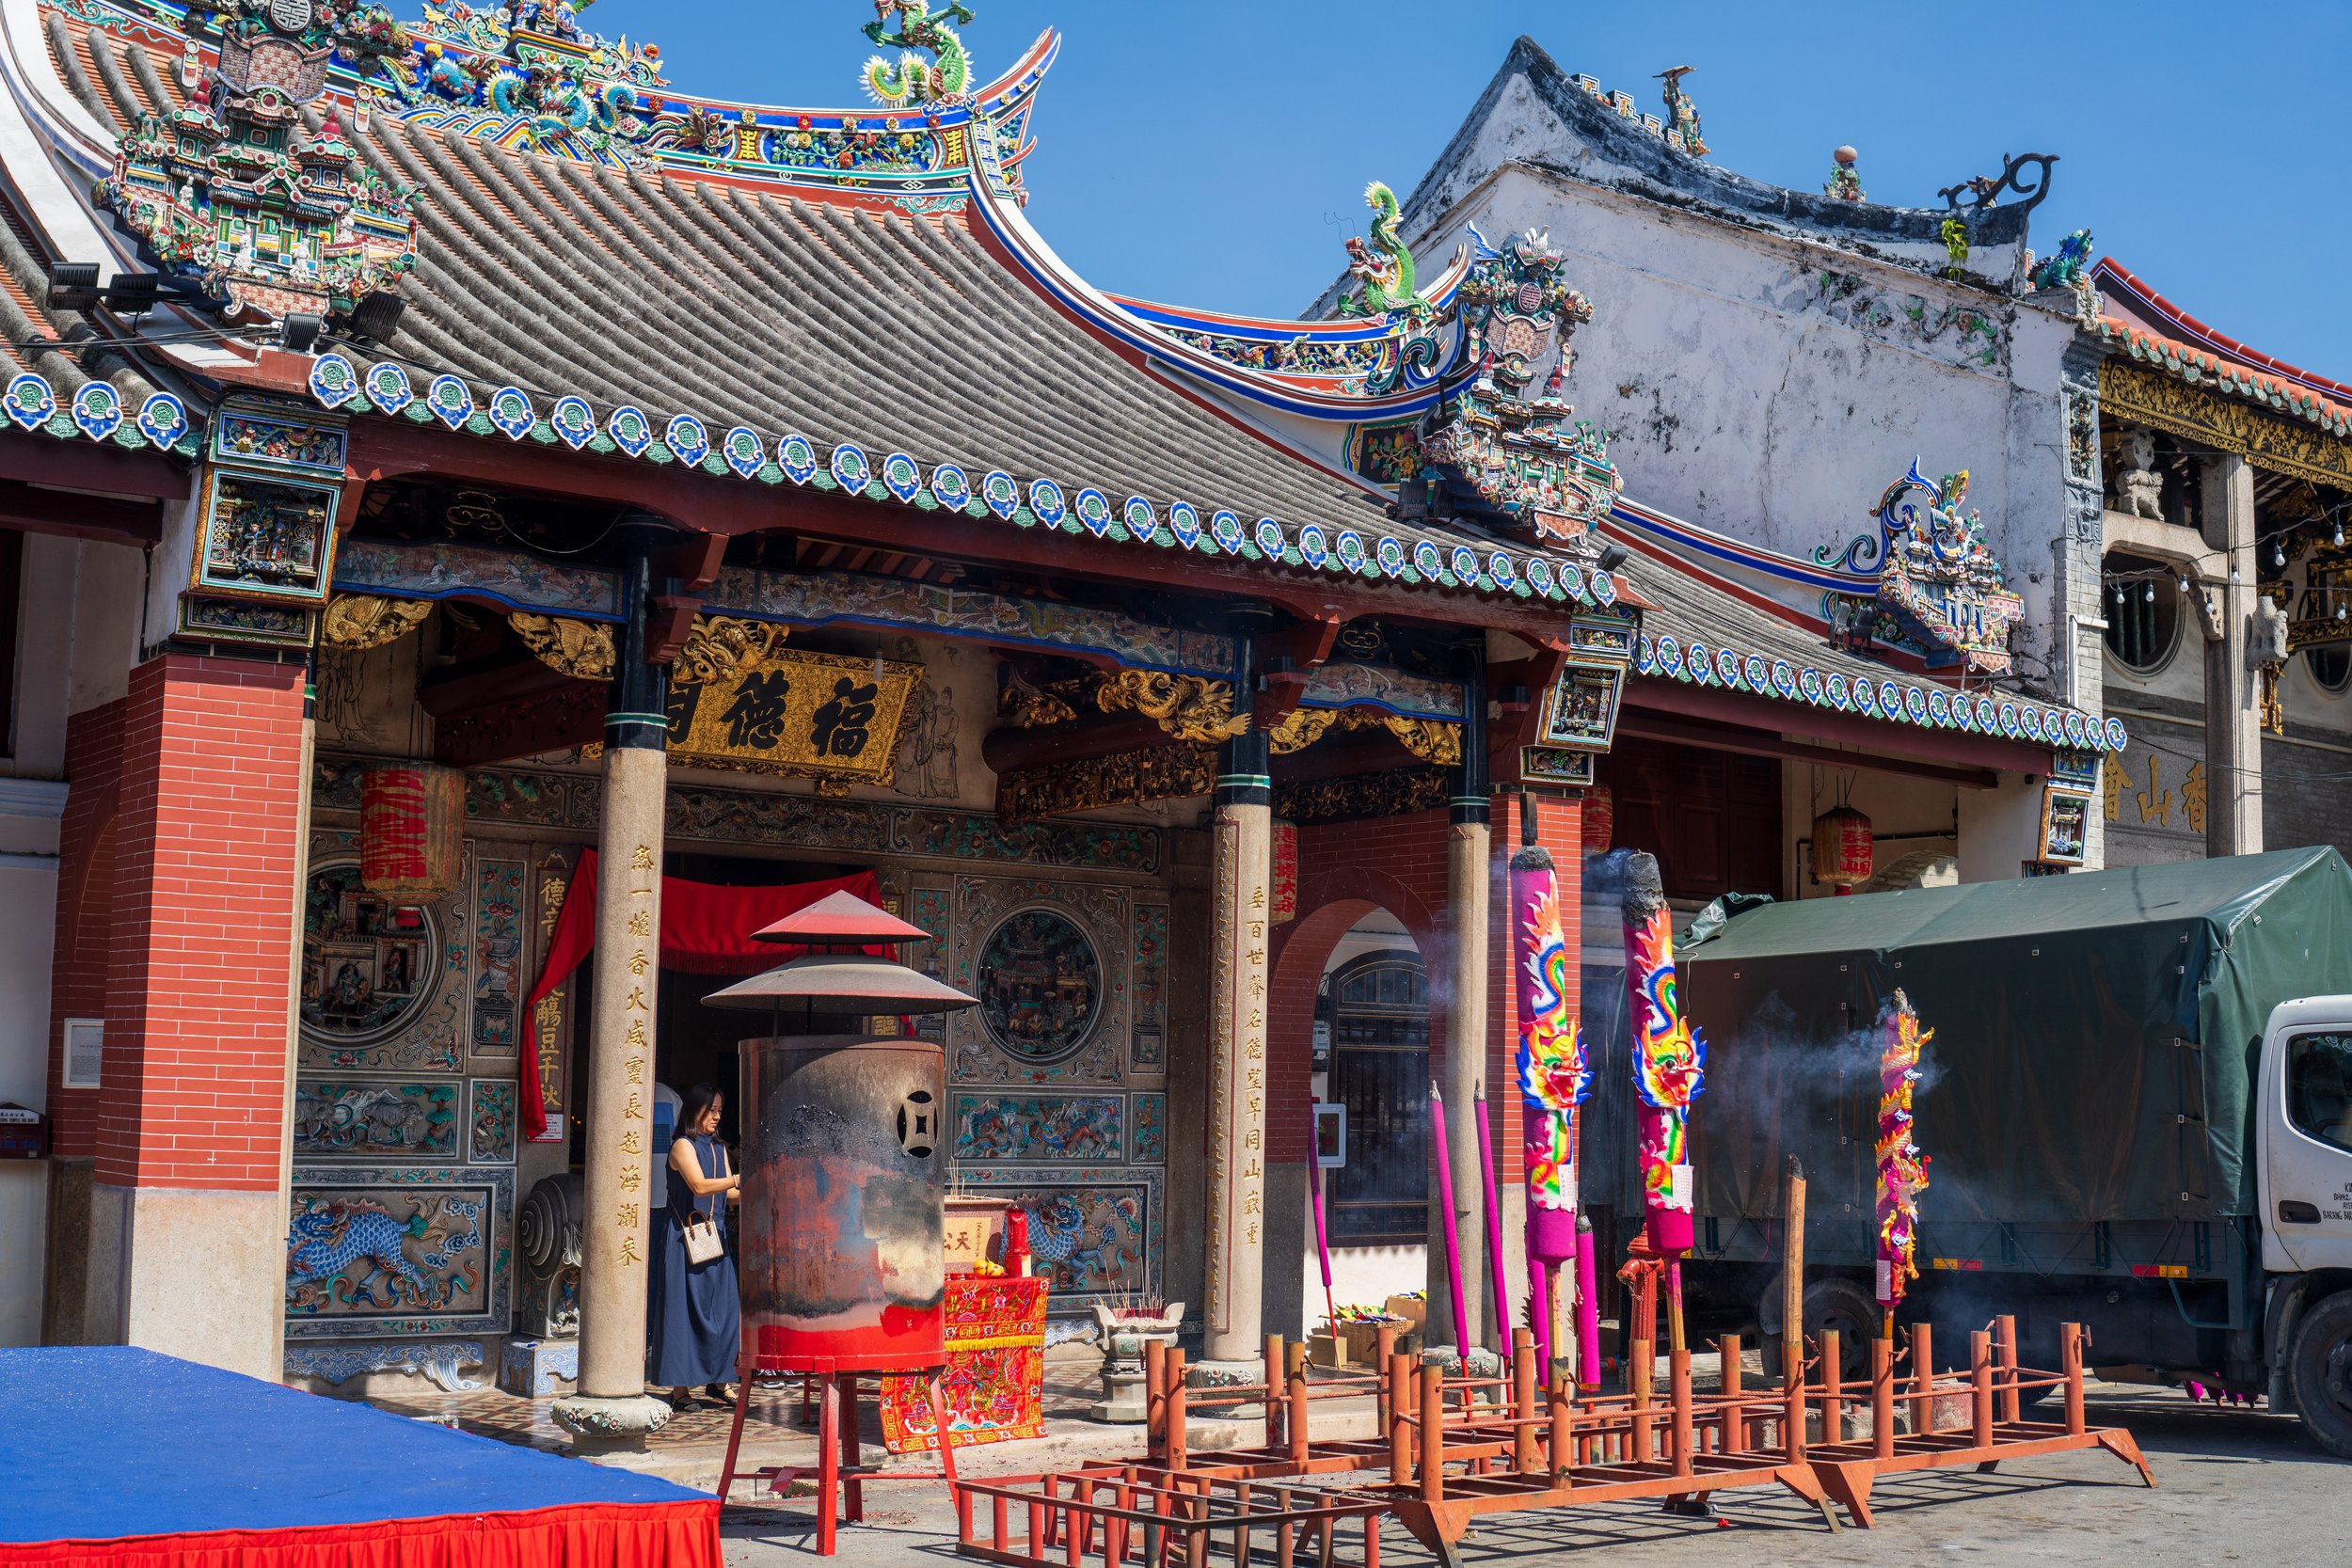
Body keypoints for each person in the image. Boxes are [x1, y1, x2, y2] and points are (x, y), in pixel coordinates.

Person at [646, 1081, 741, 1408]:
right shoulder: (682, 1146)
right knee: (682, 1311)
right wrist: (739, 1179)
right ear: (694, 1110)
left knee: (724, 1311)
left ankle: (721, 1381)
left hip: (715, 1238)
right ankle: (680, 1391)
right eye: (711, 1110)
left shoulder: (719, 1148)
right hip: (685, 1237)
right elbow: (700, 1185)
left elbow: (728, 1195)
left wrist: (761, 1189)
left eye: (719, 1111)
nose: (716, 1117)